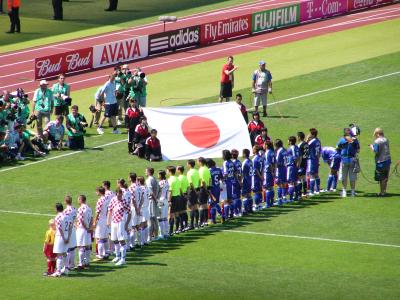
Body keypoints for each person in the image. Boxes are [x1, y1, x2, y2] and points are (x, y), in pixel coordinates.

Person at [107, 187, 131, 266]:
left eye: (121, 195)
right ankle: (117, 256)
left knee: (121, 240)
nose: (120, 197)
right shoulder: (113, 200)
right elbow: (110, 210)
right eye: (118, 196)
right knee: (114, 239)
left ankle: (123, 259)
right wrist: (108, 221)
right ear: (116, 194)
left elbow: (130, 212)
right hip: (114, 222)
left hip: (121, 222)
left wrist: (127, 224)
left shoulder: (124, 201)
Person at [337, 128, 360, 197]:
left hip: (344, 160)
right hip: (352, 160)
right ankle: (352, 192)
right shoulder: (355, 140)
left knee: (344, 177)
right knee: (352, 177)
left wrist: (340, 153)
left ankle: (344, 192)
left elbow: (337, 148)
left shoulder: (342, 140)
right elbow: (358, 150)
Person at [370, 128, 391, 197]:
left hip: (381, 161)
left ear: (377, 134)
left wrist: (371, 147)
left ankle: (382, 192)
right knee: (385, 177)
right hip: (388, 160)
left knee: (381, 177)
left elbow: (376, 151)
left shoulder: (377, 141)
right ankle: (384, 191)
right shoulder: (386, 139)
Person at [52, 203, 71, 277]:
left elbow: (59, 228)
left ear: (57, 209)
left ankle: (58, 272)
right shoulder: (67, 216)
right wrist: (68, 237)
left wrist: (63, 238)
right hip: (66, 235)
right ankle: (66, 269)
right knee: (65, 253)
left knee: (59, 254)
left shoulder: (58, 217)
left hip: (60, 236)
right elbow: (70, 227)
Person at [76, 195, 93, 270]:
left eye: (78, 199)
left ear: (80, 200)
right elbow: (92, 218)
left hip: (82, 229)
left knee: (81, 247)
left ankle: (81, 264)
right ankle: (87, 262)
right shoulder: (89, 208)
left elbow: (81, 220)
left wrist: (86, 228)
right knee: (87, 246)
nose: (77, 200)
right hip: (88, 230)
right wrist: (89, 227)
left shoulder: (80, 209)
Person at [94, 186, 111, 260]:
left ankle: (100, 255)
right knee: (105, 237)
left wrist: (95, 221)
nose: (96, 193)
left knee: (100, 238)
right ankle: (107, 253)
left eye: (97, 191)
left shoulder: (100, 200)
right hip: (107, 219)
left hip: (101, 220)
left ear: (99, 192)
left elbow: (98, 212)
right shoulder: (108, 198)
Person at [63, 195, 77, 272]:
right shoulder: (74, 208)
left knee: (68, 249)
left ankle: (67, 265)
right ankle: (72, 264)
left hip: (68, 230)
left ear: (65, 202)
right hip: (74, 229)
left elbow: (65, 221)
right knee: (72, 248)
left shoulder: (66, 211)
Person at [145, 168, 160, 241]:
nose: (145, 172)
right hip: (155, 200)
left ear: (148, 172)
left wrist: (155, 200)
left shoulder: (148, 180)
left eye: (146, 171)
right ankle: (156, 235)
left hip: (151, 201)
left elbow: (150, 192)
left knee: (150, 219)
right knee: (155, 219)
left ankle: (149, 237)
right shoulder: (155, 179)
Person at [167, 166, 181, 235]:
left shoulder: (170, 180)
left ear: (169, 171)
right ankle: (177, 229)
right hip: (178, 197)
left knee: (171, 215)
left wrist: (169, 201)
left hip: (173, 198)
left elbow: (170, 191)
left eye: (167, 170)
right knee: (177, 214)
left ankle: (170, 231)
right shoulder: (177, 179)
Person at [307, 128, 322, 196]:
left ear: (312, 134)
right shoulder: (318, 141)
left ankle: (312, 191)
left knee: (312, 175)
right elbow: (319, 152)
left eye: (310, 133)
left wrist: (307, 139)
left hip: (311, 159)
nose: (309, 134)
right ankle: (318, 190)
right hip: (316, 159)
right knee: (316, 174)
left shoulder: (312, 141)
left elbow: (305, 146)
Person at [186, 159, 200, 228]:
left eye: (187, 164)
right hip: (197, 189)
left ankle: (191, 224)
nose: (186, 165)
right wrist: (198, 190)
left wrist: (194, 190)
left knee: (191, 207)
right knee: (195, 207)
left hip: (192, 190)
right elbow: (200, 180)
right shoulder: (197, 171)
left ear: (189, 164)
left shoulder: (189, 172)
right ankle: (196, 223)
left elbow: (190, 183)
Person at [222, 150, 235, 221]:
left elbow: (225, 173)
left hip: (227, 183)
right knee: (230, 200)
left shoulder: (225, 163)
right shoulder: (232, 162)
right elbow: (235, 171)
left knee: (226, 200)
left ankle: (226, 216)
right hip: (232, 182)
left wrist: (222, 179)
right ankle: (232, 214)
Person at [286, 136, 300, 202]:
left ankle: (291, 198)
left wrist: (295, 165)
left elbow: (295, 157)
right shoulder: (297, 147)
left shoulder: (292, 148)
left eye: (288, 140)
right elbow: (299, 157)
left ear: (291, 141)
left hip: (291, 167)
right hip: (294, 167)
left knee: (291, 182)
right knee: (295, 182)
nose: (287, 141)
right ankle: (296, 196)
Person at [157, 170, 169, 238]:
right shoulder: (167, 181)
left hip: (161, 201)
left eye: (158, 174)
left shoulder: (160, 183)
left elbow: (158, 191)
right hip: (166, 200)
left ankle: (162, 234)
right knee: (165, 218)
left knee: (160, 218)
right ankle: (166, 233)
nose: (158, 176)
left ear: (161, 175)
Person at [275, 139, 287, 205]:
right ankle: (284, 197)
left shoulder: (279, 151)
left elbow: (276, 161)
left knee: (279, 184)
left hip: (280, 169)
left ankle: (280, 199)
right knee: (284, 183)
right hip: (285, 168)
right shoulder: (285, 150)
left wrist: (274, 169)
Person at [176, 166, 189, 232]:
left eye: (177, 169)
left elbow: (179, 188)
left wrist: (182, 195)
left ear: (179, 170)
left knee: (180, 211)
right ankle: (186, 224)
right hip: (185, 195)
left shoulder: (179, 178)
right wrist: (186, 195)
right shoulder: (185, 177)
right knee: (184, 210)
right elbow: (188, 186)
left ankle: (181, 226)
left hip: (181, 195)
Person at [263, 141, 275, 208]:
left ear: (267, 145)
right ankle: (272, 202)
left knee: (267, 188)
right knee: (271, 187)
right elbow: (275, 163)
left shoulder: (267, 153)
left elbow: (269, 164)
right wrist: (274, 171)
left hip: (268, 172)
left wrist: (272, 171)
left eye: (264, 144)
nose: (263, 145)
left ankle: (268, 204)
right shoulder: (272, 152)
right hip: (271, 171)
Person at [297, 131, 309, 198]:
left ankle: (299, 193)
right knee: (304, 178)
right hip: (305, 161)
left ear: (299, 137)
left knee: (299, 178)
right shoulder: (306, 144)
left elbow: (299, 155)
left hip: (301, 162)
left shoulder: (300, 145)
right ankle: (305, 192)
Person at [241, 149, 253, 213]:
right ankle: (250, 209)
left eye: (242, 153)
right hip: (250, 179)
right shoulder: (250, 161)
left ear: (245, 154)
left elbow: (242, 173)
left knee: (245, 195)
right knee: (249, 194)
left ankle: (246, 210)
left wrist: (241, 181)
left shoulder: (244, 162)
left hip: (245, 180)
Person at [252, 145, 264, 210]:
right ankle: (259, 204)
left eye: (253, 149)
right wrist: (262, 176)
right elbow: (263, 168)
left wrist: (260, 176)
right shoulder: (261, 158)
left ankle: (256, 205)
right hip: (260, 176)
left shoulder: (254, 159)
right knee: (259, 191)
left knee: (256, 191)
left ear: (255, 150)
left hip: (256, 177)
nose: (252, 150)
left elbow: (255, 169)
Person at [231, 149, 242, 216]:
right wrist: (241, 181)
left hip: (235, 181)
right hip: (239, 181)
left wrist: (238, 181)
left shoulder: (233, 163)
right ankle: (240, 211)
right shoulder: (239, 162)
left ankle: (236, 212)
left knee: (235, 197)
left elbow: (235, 173)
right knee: (238, 197)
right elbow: (241, 173)